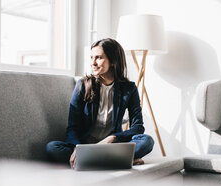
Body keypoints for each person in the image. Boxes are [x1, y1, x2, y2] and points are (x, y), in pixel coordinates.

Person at [46, 38, 154, 168]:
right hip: (85, 146)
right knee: (52, 148)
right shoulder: (83, 85)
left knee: (147, 141)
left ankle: (93, 161)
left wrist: (112, 138)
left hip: (113, 146)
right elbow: (72, 127)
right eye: (91, 58)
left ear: (113, 61)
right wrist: (76, 149)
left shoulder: (129, 89)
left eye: (98, 58)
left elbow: (137, 127)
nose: (93, 63)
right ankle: (122, 160)